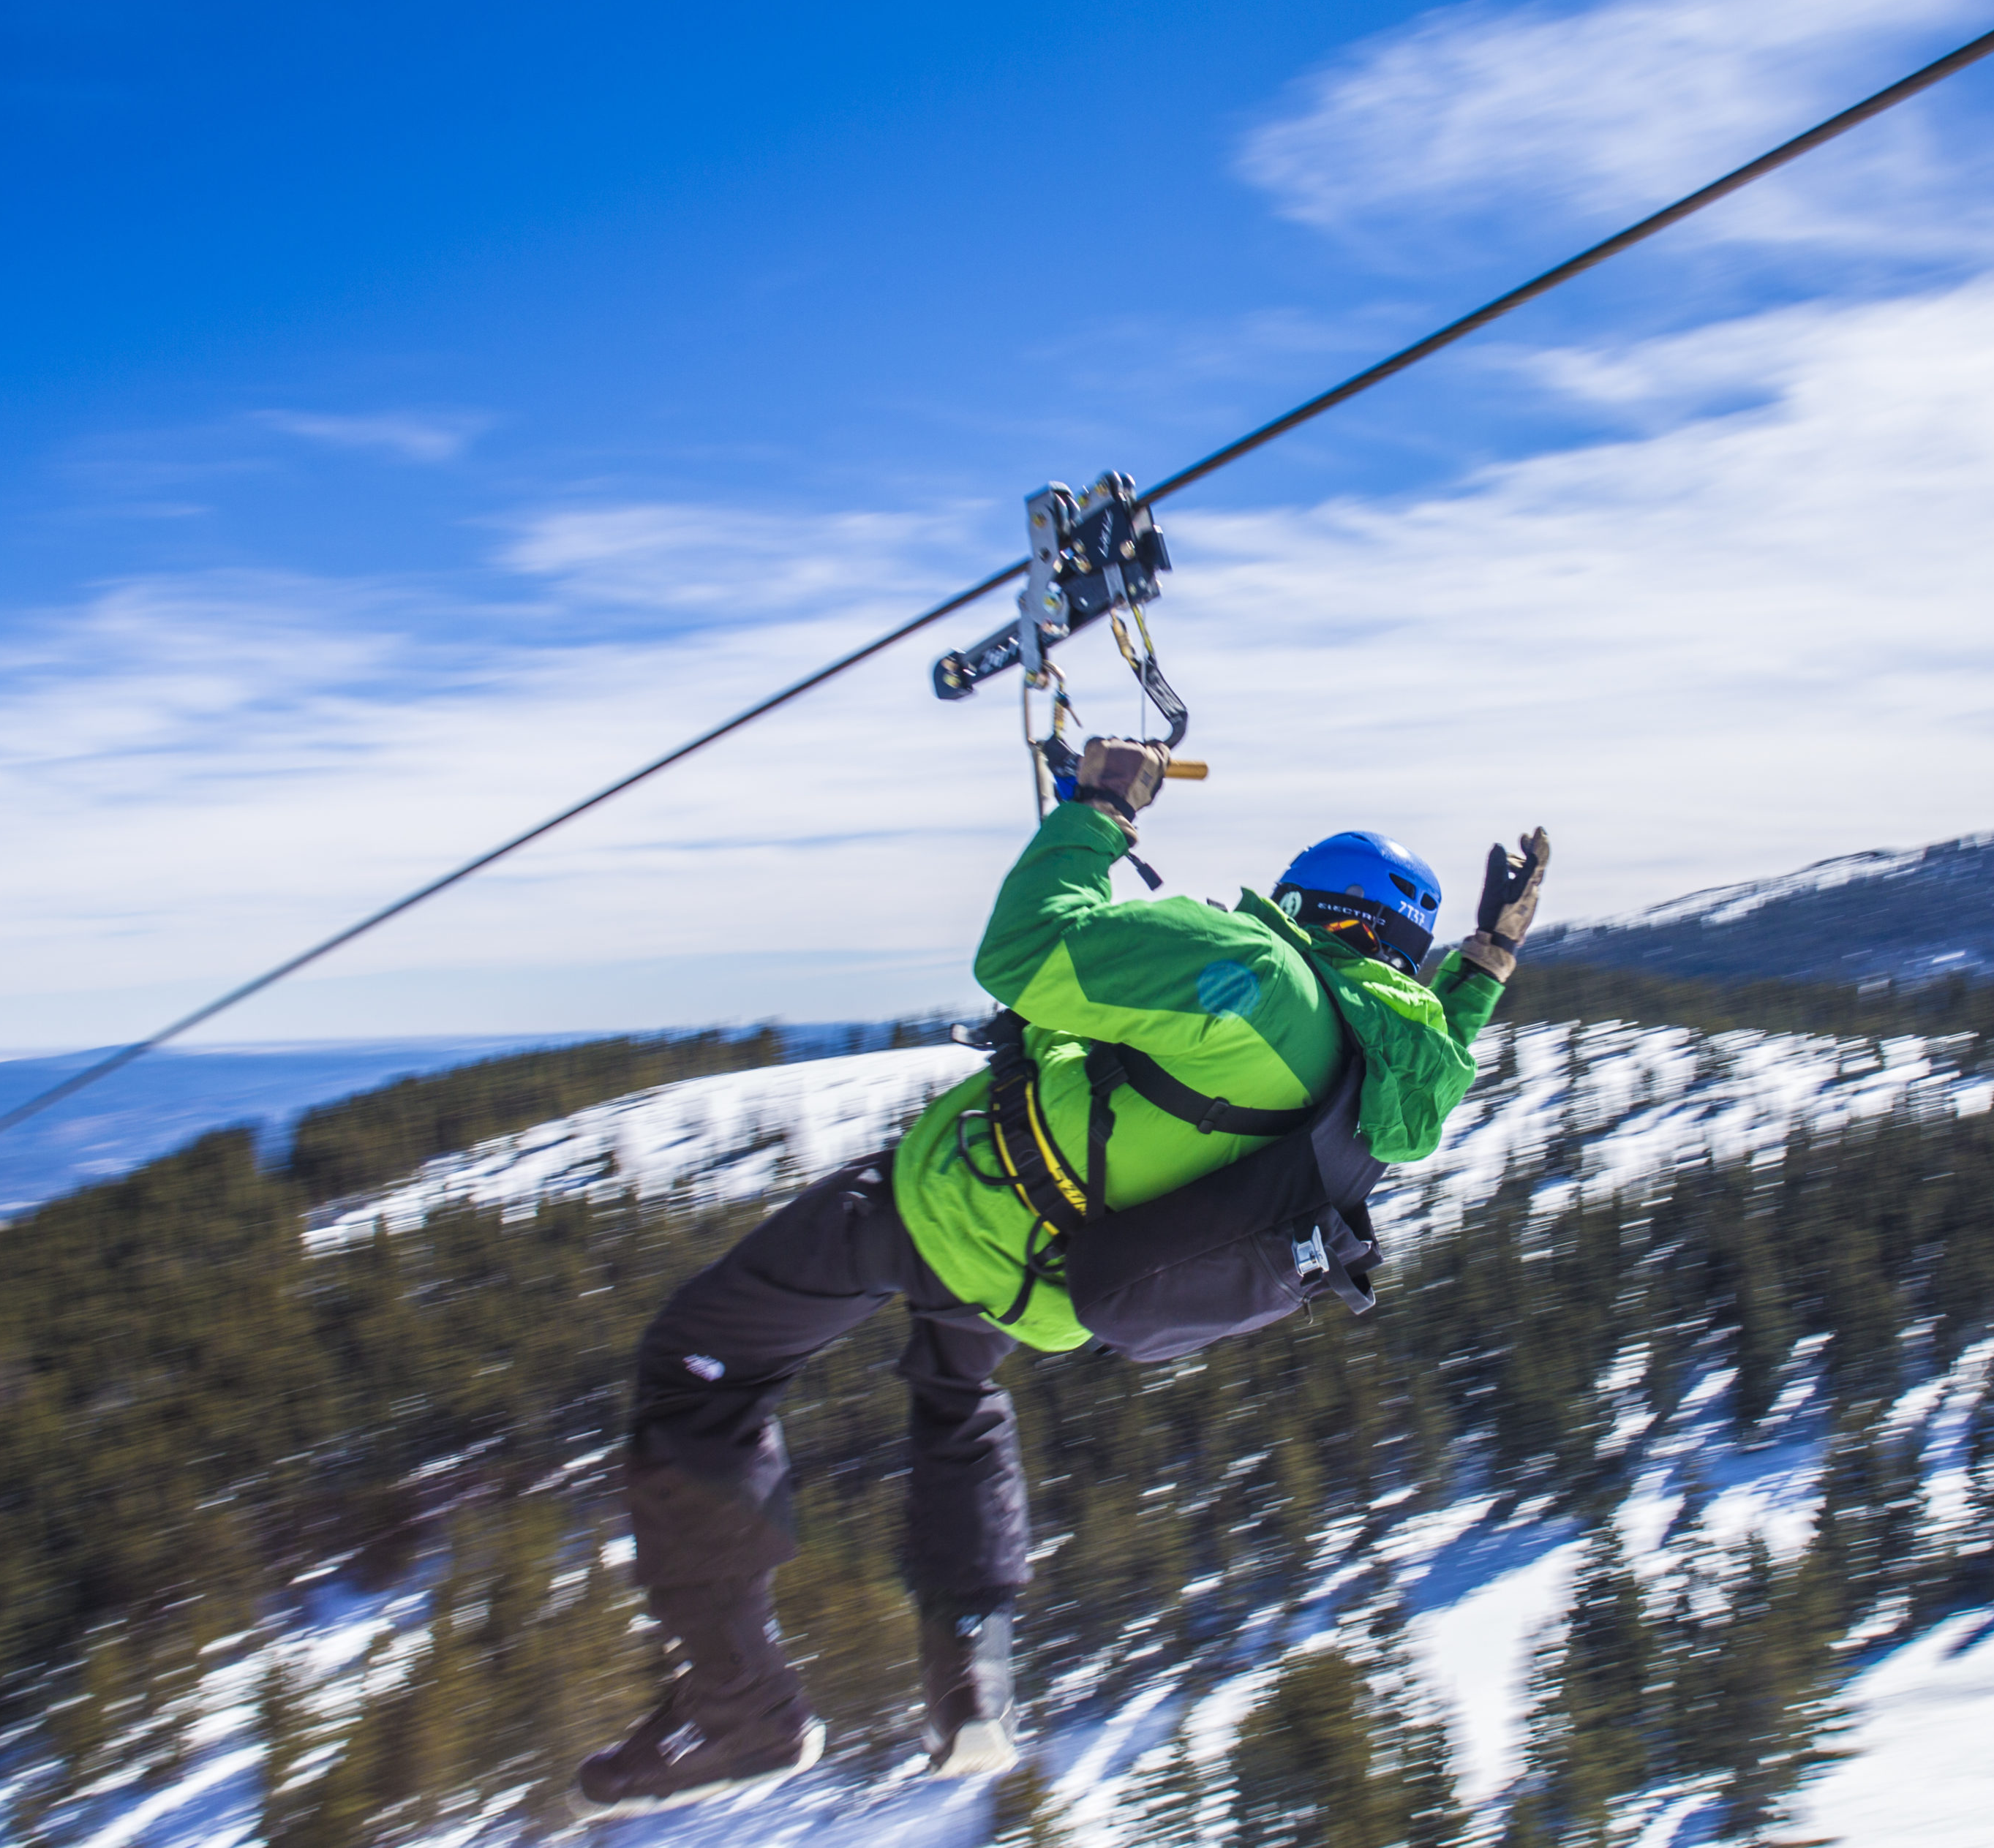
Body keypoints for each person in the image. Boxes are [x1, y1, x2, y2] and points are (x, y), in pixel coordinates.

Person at [573, 736, 1549, 1817]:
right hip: (1053, 1282)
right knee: (953, 1385)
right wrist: (1488, 961)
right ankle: (968, 1677)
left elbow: (1026, 950)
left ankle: (736, 1703)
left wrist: (1099, 811)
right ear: (1399, 955)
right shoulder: (1385, 1075)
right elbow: (1440, 1052)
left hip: (949, 1202)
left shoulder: (1263, 977)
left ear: (1305, 903)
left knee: (699, 1366)